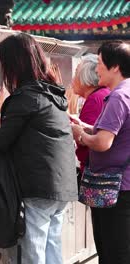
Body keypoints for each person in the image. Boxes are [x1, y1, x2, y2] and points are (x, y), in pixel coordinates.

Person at [0, 33, 77, 264]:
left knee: (32, 253)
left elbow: (4, 140)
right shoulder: (49, 93)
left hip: (38, 187)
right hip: (61, 185)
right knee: (51, 250)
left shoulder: (25, 96)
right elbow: (21, 126)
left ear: (13, 63)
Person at [71, 40, 130, 264]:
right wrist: (86, 127)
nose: (96, 69)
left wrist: (81, 135)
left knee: (114, 253)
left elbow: (103, 142)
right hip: (124, 186)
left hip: (117, 188)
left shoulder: (118, 96)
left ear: (115, 67)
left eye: (100, 63)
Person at [70, 54, 110, 172]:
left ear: (86, 76)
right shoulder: (102, 94)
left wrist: (78, 133)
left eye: (76, 72)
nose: (73, 78)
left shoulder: (95, 99)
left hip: (95, 170)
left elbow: (92, 143)